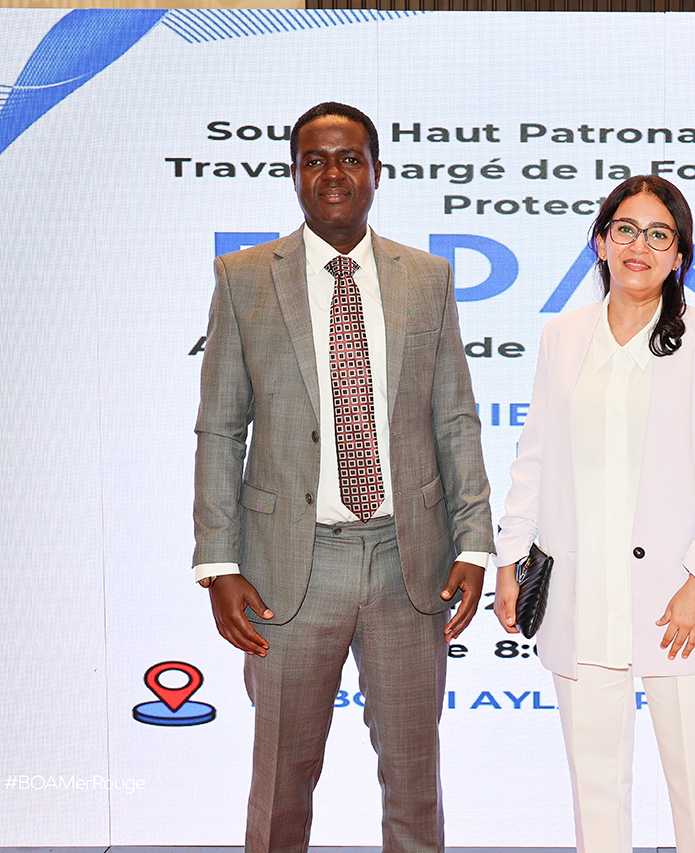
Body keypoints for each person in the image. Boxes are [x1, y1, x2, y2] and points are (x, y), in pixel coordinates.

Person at [192, 101, 494, 853]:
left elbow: (455, 416)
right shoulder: (243, 278)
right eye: (316, 160)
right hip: (287, 569)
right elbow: (221, 429)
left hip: (408, 563)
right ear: (295, 174)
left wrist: (473, 543)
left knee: (414, 784)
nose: (333, 174)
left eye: (350, 158)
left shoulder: (426, 278)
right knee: (281, 785)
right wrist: (218, 563)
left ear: (377, 172)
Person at [493, 175, 695, 853]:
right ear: (601, 244)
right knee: (596, 795)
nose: (641, 245)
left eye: (659, 234)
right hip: (584, 595)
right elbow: (533, 457)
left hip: (680, 601)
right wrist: (510, 559)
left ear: (680, 257)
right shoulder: (563, 335)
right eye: (626, 230)